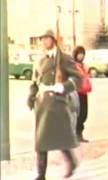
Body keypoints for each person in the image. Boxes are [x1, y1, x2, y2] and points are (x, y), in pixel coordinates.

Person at [27, 30, 81, 179]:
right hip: (43, 104)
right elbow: (35, 80)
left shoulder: (64, 58)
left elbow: (78, 78)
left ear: (54, 40)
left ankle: (72, 161)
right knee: (41, 140)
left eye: (47, 39)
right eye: (42, 39)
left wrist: (64, 87)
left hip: (57, 103)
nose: (44, 42)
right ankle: (41, 174)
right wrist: (31, 95)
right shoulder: (40, 60)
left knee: (61, 137)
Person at [73, 46, 92, 143]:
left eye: (82, 53)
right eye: (79, 53)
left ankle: (79, 133)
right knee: (78, 114)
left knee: (84, 114)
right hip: (77, 92)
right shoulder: (74, 65)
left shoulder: (83, 65)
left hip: (84, 92)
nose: (81, 55)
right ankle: (76, 134)